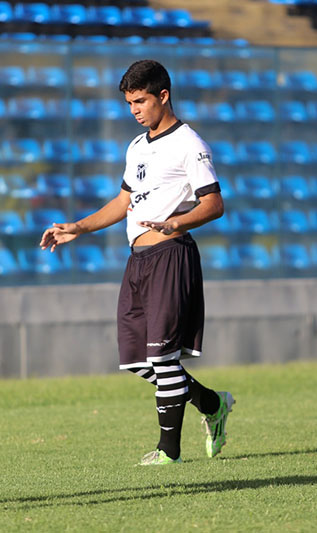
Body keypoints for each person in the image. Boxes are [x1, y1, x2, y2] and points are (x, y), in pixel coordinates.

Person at [40, 59, 234, 465]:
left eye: (140, 101)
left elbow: (214, 203)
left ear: (163, 95)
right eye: (129, 103)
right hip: (138, 261)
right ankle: (212, 404)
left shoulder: (189, 144)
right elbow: (123, 202)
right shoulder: (136, 146)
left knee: (163, 358)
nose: (134, 110)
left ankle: (169, 452)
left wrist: (176, 222)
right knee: (137, 361)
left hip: (170, 257)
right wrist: (78, 227)